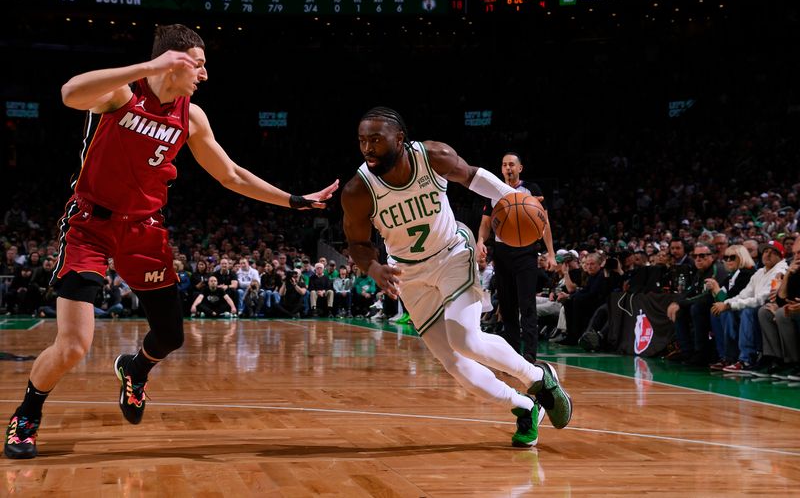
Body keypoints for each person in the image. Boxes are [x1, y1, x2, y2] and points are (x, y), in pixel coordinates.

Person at [3, 24, 338, 460]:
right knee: (74, 344)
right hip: (90, 225)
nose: (204, 75)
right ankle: (26, 417)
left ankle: (135, 368)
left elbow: (230, 174)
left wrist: (293, 200)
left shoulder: (191, 116)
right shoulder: (122, 94)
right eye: (197, 65)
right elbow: (69, 92)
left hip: (144, 229)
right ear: (173, 61)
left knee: (171, 336)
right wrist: (147, 66)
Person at [341, 106, 572, 448]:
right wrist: (374, 268)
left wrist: (512, 198)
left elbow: (474, 177)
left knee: (465, 338)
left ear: (400, 139)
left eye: (376, 139)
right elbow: (358, 243)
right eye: (362, 141)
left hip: (451, 254)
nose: (367, 148)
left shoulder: (432, 156)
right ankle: (525, 407)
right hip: (409, 272)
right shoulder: (358, 190)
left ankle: (539, 377)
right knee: (454, 363)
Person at [476, 153, 557, 363]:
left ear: (520, 168)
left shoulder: (532, 189)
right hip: (502, 252)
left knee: (527, 304)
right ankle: (512, 355)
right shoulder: (492, 190)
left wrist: (551, 253)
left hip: (526, 251)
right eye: (504, 165)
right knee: (506, 304)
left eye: (511, 164)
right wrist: (480, 242)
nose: (507, 168)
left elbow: (545, 223)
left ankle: (530, 355)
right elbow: (485, 223)